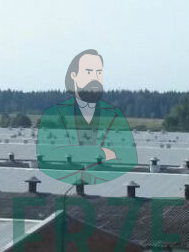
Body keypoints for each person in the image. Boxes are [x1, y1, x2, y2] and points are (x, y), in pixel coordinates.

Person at [36, 49, 137, 185]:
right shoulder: (54, 112)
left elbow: (129, 159)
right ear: (74, 76)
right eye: (88, 72)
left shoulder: (114, 113)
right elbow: (47, 159)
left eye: (98, 73)